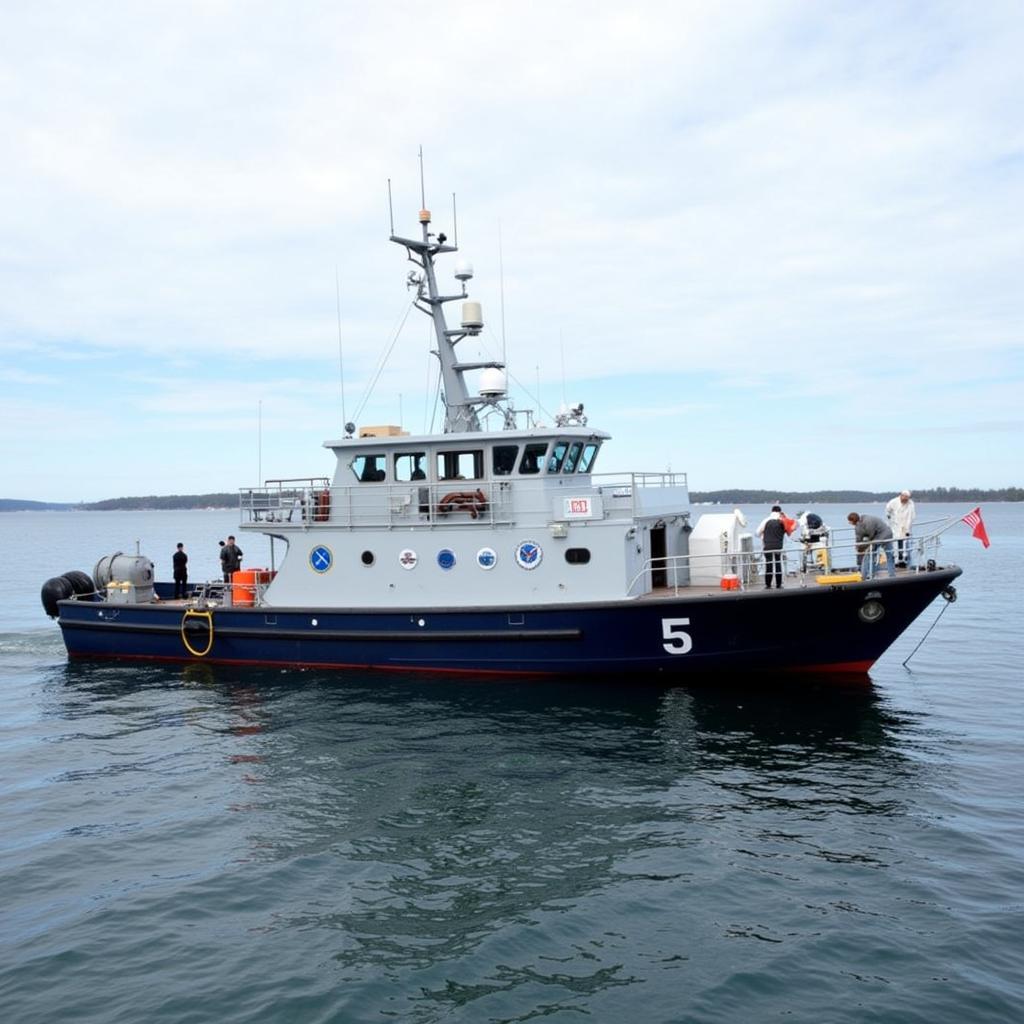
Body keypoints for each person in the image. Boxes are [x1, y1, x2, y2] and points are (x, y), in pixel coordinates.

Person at [847, 512, 896, 579]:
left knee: (888, 555)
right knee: (870, 555)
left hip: (885, 535)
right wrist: (858, 546)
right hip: (876, 537)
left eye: (850, 521)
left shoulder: (868, 520)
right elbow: (858, 537)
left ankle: (892, 576)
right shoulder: (858, 526)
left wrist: (864, 546)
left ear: (853, 520)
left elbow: (871, 534)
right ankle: (869, 575)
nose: (849, 523)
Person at [756, 504, 787, 590]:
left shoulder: (766, 520)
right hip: (778, 546)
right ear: (780, 512)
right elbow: (788, 530)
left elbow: (757, 533)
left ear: (771, 511)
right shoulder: (782, 521)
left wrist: (763, 535)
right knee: (778, 563)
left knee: (769, 564)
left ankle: (768, 585)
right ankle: (779, 584)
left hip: (768, 546)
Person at [885, 490, 916, 567]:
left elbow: (912, 516)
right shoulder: (894, 502)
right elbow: (888, 510)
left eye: (907, 498)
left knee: (906, 543)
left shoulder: (911, 504)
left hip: (906, 526)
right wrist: (890, 520)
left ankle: (904, 560)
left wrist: (908, 526)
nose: (905, 499)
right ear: (901, 495)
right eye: (904, 497)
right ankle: (896, 561)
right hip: (895, 526)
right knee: (896, 543)